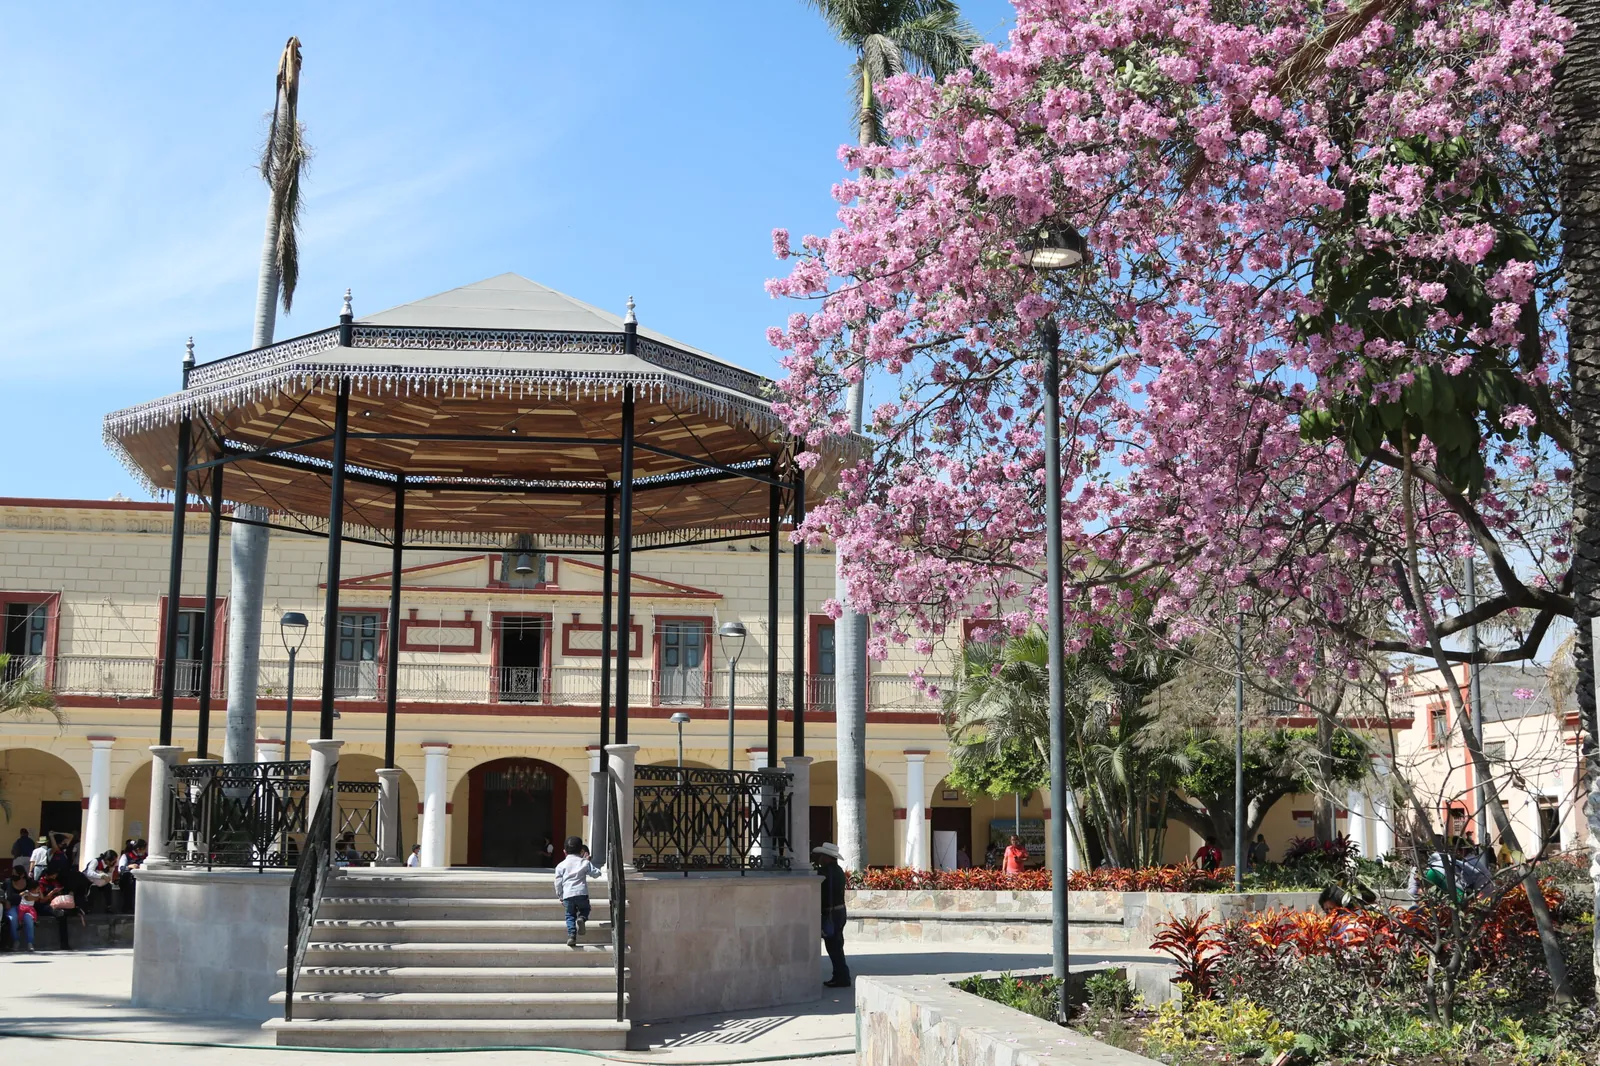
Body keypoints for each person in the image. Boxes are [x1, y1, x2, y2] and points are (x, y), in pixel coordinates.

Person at [553, 836, 602, 949]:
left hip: (568, 894)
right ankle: (582, 918)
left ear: (564, 851)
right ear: (581, 851)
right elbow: (596, 873)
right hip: (581, 893)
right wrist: (588, 861)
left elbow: (558, 882)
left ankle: (572, 936)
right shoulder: (584, 862)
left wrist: (560, 895)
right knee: (585, 909)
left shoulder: (561, 865)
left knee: (570, 915)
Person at [814, 842, 850, 988]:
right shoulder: (839, 871)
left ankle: (841, 977)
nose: (820, 858)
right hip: (840, 912)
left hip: (832, 913)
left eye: (822, 856)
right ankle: (841, 975)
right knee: (837, 945)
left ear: (827, 857)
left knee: (834, 947)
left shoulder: (825, 873)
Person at [4, 865, 36, 951]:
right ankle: (16, 941)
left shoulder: (29, 882)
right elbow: (6, 895)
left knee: (29, 918)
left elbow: (34, 894)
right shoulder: (8, 882)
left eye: (15, 873)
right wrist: (6, 901)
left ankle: (30, 942)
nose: (13, 875)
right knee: (12, 918)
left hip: (26, 906)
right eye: (12, 873)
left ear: (21, 875)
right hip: (13, 906)